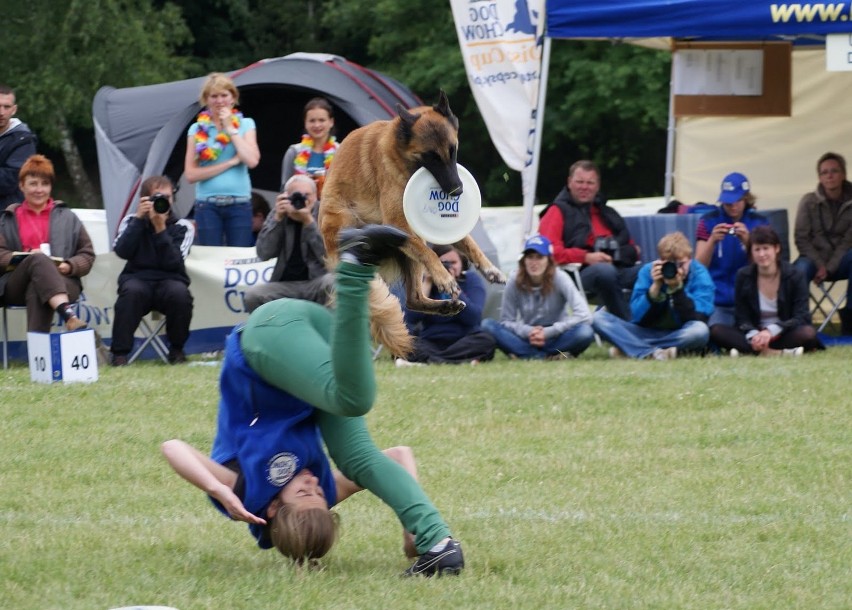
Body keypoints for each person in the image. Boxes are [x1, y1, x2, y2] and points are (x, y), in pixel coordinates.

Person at [162, 225, 464, 576]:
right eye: (321, 497)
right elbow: (399, 456)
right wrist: (407, 525)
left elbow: (173, 448)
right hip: (316, 344)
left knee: (353, 399)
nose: (313, 486)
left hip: (267, 337)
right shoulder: (321, 490)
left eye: (305, 495)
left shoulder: (249, 491)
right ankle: (436, 543)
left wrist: (218, 490)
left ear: (273, 507)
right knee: (357, 456)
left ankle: (355, 266)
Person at [538, 160, 640, 320]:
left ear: (597, 186)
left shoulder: (607, 213)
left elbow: (633, 248)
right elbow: (547, 253)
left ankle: (656, 325)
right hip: (576, 274)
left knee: (652, 271)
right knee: (604, 272)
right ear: (569, 182)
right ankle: (629, 328)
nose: (584, 187)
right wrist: (586, 257)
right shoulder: (556, 211)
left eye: (590, 183)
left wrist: (622, 254)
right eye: (579, 182)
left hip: (617, 269)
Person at [109, 176, 195, 366]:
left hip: (171, 279)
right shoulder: (131, 221)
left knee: (180, 294)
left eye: (167, 197)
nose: (163, 202)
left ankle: (177, 349)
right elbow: (121, 251)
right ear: (144, 200)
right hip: (137, 278)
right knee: (131, 292)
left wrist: (160, 228)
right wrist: (140, 220)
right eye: (157, 197)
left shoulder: (183, 227)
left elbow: (174, 262)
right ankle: (120, 354)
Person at [0, 155, 92, 331]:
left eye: (44, 183)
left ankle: (38, 355)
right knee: (39, 259)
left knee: (38, 286)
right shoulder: (6, 219)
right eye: (33, 183)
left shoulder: (68, 217)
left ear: (51, 186)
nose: (39, 189)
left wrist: (69, 266)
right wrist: (19, 258)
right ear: (21, 186)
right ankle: (69, 315)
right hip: (15, 284)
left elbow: (87, 254)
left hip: (63, 281)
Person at [592, 231, 713, 360]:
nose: (678, 269)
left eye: (681, 264)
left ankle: (633, 348)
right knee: (598, 318)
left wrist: (677, 289)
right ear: (660, 260)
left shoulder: (699, 273)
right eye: (670, 264)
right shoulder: (649, 271)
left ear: (690, 258)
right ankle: (652, 352)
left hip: (680, 332)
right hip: (646, 331)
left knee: (700, 331)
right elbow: (636, 317)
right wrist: (654, 289)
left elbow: (699, 317)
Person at [713, 225, 822, 356]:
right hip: (754, 334)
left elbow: (801, 316)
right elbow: (741, 317)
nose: (762, 254)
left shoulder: (795, 275)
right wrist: (755, 335)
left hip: (783, 332)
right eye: (757, 250)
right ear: (751, 253)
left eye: (766, 248)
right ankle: (776, 353)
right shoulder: (743, 275)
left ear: (776, 248)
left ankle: (755, 352)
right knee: (716, 330)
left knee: (808, 333)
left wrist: (770, 331)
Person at [481, 235, 594, 360]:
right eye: (530, 257)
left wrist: (549, 332)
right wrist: (528, 331)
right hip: (528, 337)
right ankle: (545, 356)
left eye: (539, 257)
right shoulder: (514, 280)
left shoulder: (560, 277)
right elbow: (506, 321)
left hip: (557, 335)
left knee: (585, 332)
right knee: (488, 325)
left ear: (548, 260)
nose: (534, 263)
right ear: (523, 260)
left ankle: (528, 355)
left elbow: (584, 314)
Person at [184, 73, 260, 247]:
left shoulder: (246, 124)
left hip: (239, 204)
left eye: (224, 95)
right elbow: (190, 174)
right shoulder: (197, 129)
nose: (219, 101)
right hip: (207, 205)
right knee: (210, 258)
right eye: (214, 96)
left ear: (233, 98)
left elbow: (252, 160)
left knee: (238, 257)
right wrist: (231, 162)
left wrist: (230, 128)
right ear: (206, 100)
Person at [694, 172, 769, 345]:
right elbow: (698, 266)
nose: (732, 206)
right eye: (727, 202)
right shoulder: (708, 221)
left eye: (737, 201)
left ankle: (748, 345)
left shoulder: (760, 223)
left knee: (757, 329)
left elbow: (768, 267)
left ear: (746, 198)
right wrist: (712, 241)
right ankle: (751, 347)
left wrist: (748, 242)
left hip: (750, 298)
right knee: (715, 330)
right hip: (718, 300)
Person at [244, 175, 332, 312]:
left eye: (307, 195)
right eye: (296, 196)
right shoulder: (279, 213)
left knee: (334, 282)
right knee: (252, 295)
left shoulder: (325, 214)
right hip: (286, 285)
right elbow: (264, 253)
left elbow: (329, 257)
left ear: (316, 197)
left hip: (317, 283)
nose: (301, 200)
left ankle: (328, 330)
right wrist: (277, 219)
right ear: (286, 196)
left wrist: (308, 222)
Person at [401, 244, 496, 365]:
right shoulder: (425, 282)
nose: (448, 267)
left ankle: (433, 360)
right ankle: (453, 360)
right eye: (443, 263)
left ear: (461, 263)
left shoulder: (471, 280)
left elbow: (474, 318)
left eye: (453, 262)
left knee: (486, 341)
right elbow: (411, 318)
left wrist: (453, 288)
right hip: (431, 340)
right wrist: (427, 284)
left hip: (463, 340)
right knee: (404, 344)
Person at [793, 151, 852, 335]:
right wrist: (819, 265)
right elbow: (801, 238)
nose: (829, 175)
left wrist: (830, 267)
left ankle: (850, 317)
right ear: (819, 177)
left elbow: (849, 240)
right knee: (798, 270)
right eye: (824, 172)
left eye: (834, 171)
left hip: (842, 260)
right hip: (813, 260)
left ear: (843, 174)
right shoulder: (808, 201)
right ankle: (800, 323)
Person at [280, 97, 338, 198]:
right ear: (305, 123)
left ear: (331, 122)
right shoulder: (294, 152)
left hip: (330, 210)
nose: (317, 125)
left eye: (322, 120)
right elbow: (284, 188)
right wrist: (303, 183)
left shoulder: (341, 151)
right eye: (312, 121)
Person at [0, 86, 38, 210]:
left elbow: (9, 181)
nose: (2, 112)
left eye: (7, 107)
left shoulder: (24, 140)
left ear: (14, 109)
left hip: (7, 216)